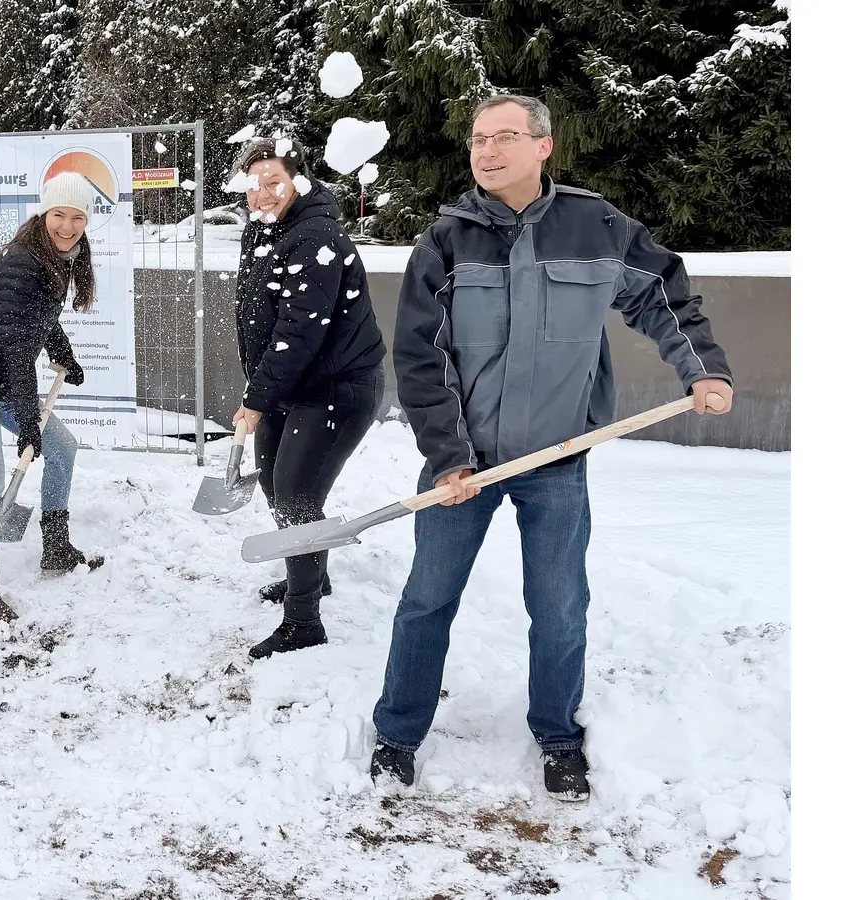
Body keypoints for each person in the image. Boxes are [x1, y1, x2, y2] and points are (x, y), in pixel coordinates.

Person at [369, 95, 735, 800]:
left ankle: (559, 735)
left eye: (504, 136)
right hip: (463, 464)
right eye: (478, 138)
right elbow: (419, 356)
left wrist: (704, 369)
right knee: (426, 601)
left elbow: (663, 294)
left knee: (561, 605)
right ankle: (397, 732)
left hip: (559, 458)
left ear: (543, 147)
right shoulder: (445, 241)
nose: (487, 150)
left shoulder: (594, 224)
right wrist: (448, 455)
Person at [229, 137, 387, 659]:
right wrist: (261, 388)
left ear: (299, 180)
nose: (263, 194)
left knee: (296, 495)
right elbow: (260, 320)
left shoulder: (316, 236)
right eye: (254, 184)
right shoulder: (263, 231)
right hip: (291, 385)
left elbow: (300, 331)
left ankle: (303, 621)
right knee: (276, 484)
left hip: (336, 388)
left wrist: (255, 398)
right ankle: (311, 576)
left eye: (274, 181)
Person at [0, 172, 101, 626]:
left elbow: (40, 316)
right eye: (58, 215)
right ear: (42, 213)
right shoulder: (20, 261)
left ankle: (55, 545)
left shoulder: (61, 256)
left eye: (77, 217)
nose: (67, 226)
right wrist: (29, 420)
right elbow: (14, 345)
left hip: (6, 383)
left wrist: (62, 352)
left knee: (63, 448)